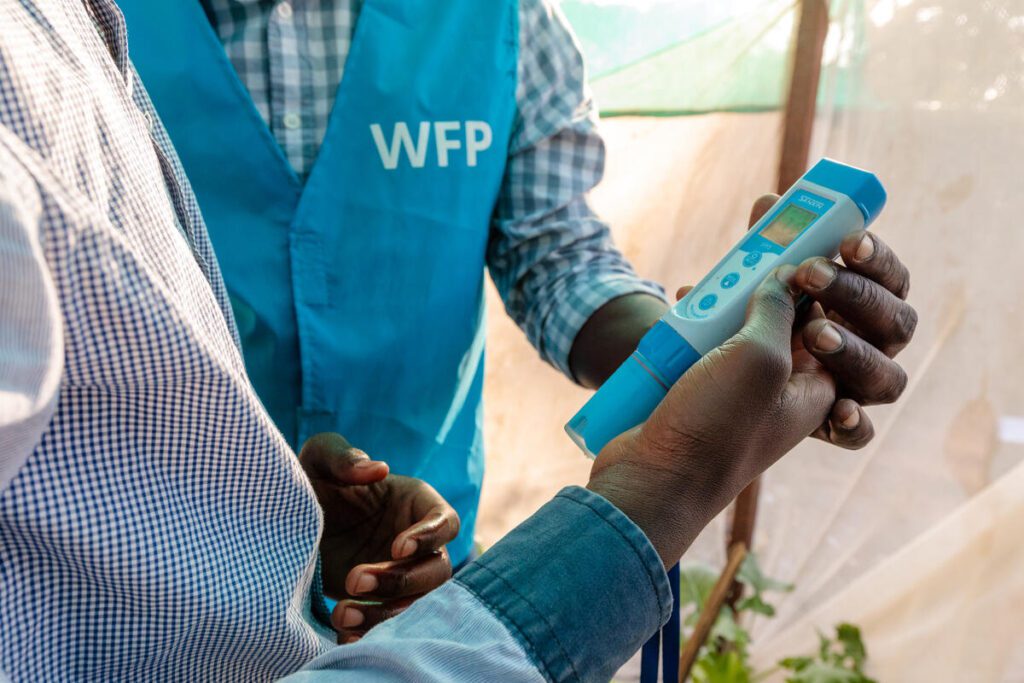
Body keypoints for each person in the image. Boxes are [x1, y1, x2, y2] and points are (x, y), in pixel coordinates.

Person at [0, 0, 917, 680]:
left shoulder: (502, 20)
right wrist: (662, 487)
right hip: (155, 609)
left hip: (424, 573)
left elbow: (557, 255)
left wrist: (683, 351)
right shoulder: (66, 40)